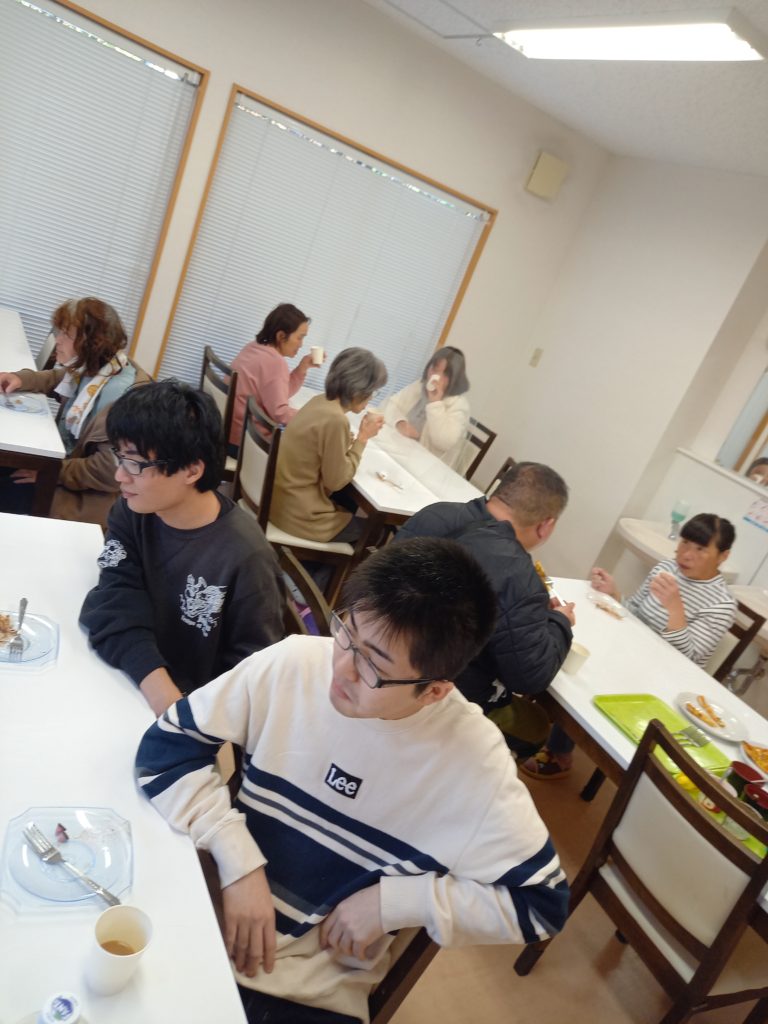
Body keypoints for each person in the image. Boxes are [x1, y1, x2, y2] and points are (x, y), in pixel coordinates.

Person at [135, 538, 569, 1024]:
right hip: (202, 920)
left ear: (434, 691)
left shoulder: (475, 766)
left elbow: (543, 905)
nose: (342, 669)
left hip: (308, 990)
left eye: (374, 665)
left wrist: (395, 903)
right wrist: (237, 858)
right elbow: (166, 748)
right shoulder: (296, 663)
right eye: (347, 632)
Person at [80, 379, 285, 717]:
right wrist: (160, 692)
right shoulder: (133, 510)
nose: (119, 476)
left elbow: (253, 676)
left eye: (135, 464)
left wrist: (180, 715)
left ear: (191, 470)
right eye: (119, 457)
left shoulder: (246, 559)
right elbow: (115, 595)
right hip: (138, 686)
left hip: (192, 713)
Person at [522, 512, 737, 780]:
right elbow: (634, 612)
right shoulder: (666, 569)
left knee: (594, 672)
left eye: (700, 549)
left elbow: (688, 659)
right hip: (630, 652)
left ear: (723, 556)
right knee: (575, 648)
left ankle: (559, 750)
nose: (686, 554)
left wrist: (675, 610)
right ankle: (545, 720)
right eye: (684, 543)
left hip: (664, 677)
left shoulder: (722, 604)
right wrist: (615, 594)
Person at [396, 462, 574, 755]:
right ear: (546, 525)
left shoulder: (436, 514)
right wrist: (560, 621)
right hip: (434, 695)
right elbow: (530, 677)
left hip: (379, 659)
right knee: (535, 727)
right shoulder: (517, 574)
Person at [0, 297, 150, 526]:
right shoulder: (102, 368)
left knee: (6, 489)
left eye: (66, 335)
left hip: (90, 498)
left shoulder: (119, 401)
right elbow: (57, 378)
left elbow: (109, 470)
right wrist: (21, 379)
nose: (58, 340)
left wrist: (52, 472)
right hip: (68, 469)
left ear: (91, 343)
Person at [270, 347, 387, 544]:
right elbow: (336, 481)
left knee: (347, 503)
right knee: (377, 533)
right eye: (372, 392)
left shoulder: (319, 401)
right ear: (358, 390)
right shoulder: (336, 420)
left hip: (277, 503)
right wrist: (362, 439)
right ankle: (309, 563)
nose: (370, 398)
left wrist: (346, 442)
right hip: (299, 516)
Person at [229, 303, 317, 449]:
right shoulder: (275, 362)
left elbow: (277, 394)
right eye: (300, 338)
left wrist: (302, 369)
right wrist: (316, 418)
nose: (301, 344)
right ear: (281, 336)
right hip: (245, 442)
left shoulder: (253, 347)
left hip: (229, 430)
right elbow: (280, 414)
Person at [381, 347, 470, 470]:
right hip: (401, 449)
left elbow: (443, 442)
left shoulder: (459, 405)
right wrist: (400, 422)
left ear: (455, 379)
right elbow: (389, 404)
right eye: (434, 369)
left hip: (427, 466)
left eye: (445, 374)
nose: (436, 377)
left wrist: (435, 403)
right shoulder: (420, 385)